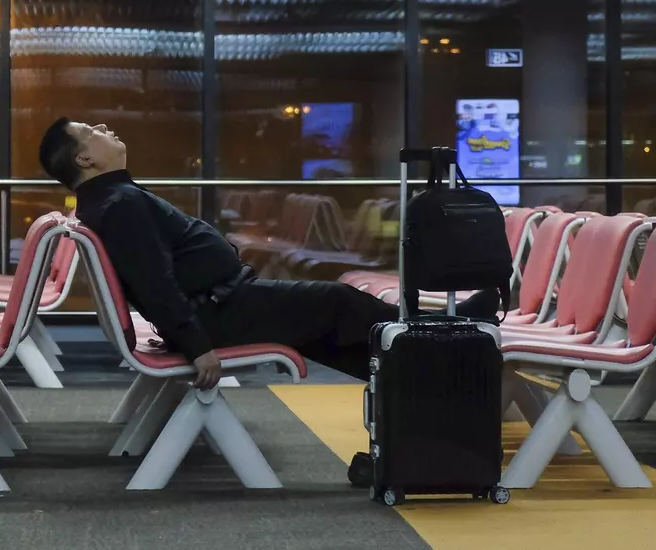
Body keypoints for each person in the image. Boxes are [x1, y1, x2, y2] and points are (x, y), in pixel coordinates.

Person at [38, 117, 501, 392]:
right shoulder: (120, 204)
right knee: (337, 302)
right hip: (221, 314)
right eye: (90, 130)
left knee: (327, 329)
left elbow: (155, 276)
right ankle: (445, 341)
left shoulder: (113, 200)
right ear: (84, 160)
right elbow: (155, 280)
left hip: (224, 304)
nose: (103, 128)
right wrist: (197, 346)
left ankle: (430, 377)